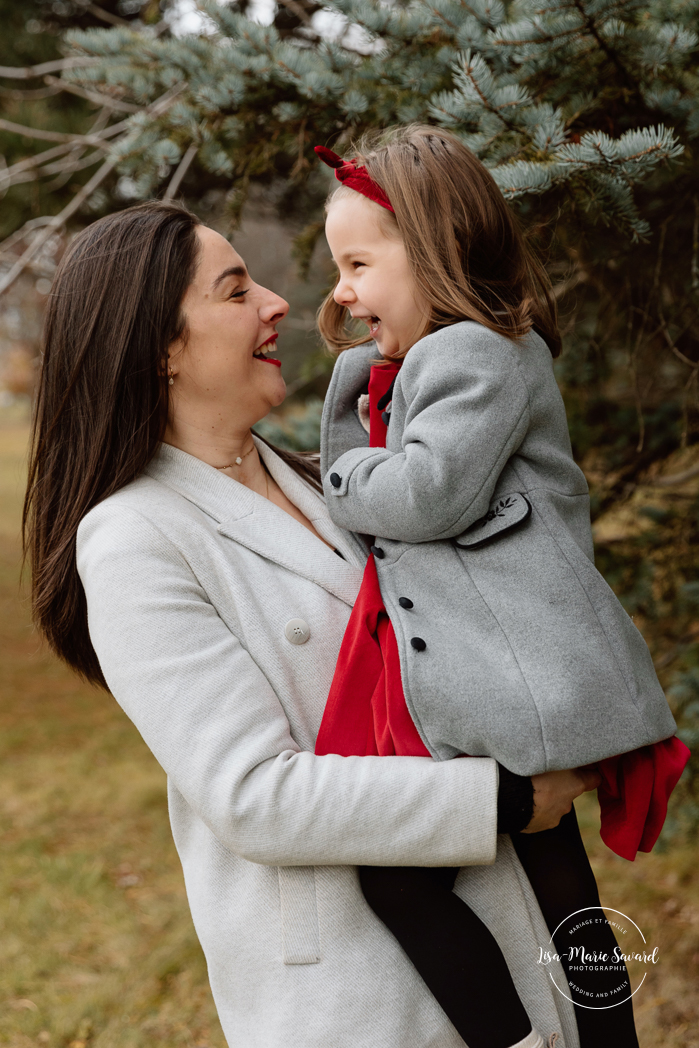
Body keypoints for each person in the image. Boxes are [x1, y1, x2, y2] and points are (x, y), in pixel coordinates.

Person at [23, 199, 600, 1048]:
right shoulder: (134, 539)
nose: (276, 302)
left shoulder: (336, 483)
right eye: (233, 291)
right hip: (364, 990)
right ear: (159, 351)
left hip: (526, 927)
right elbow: (256, 795)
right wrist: (505, 799)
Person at [313, 126, 689, 1048]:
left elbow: (425, 493)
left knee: (404, 878)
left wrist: (340, 463)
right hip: (501, 681)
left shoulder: (476, 354)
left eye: (358, 262)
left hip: (524, 676)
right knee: (558, 883)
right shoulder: (442, 358)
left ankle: (521, 1040)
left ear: (432, 250)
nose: (342, 290)